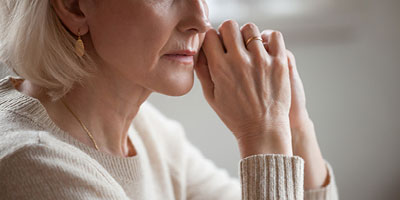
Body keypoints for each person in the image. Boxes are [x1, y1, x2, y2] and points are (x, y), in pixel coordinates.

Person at [0, 0, 338, 199]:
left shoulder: (147, 132)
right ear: (74, 6)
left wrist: (293, 124)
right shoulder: (33, 164)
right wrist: (261, 133)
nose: (200, 20)